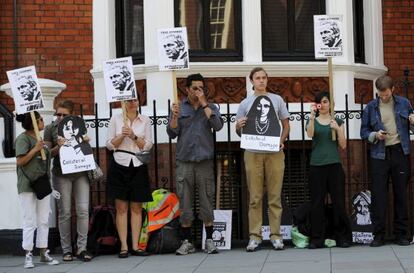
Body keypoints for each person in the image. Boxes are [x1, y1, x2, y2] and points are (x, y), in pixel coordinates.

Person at [167, 73, 223, 255]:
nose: (198, 91)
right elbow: (172, 133)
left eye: (201, 87)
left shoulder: (211, 106)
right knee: (185, 202)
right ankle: (187, 241)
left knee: (207, 200)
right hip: (185, 161)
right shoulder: (179, 107)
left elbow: (218, 125)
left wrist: (205, 103)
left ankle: (209, 240)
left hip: (204, 162)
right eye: (195, 88)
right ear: (187, 89)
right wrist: (174, 116)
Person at [235, 67, 290, 252]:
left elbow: (286, 124)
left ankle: (276, 236)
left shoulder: (277, 100)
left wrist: (281, 141)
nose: (261, 81)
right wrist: (238, 126)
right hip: (252, 152)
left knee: (275, 196)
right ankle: (254, 236)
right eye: (257, 78)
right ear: (251, 81)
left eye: (264, 77)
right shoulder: (245, 103)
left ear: (267, 80)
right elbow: (239, 131)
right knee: (255, 197)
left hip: (274, 152)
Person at [360, 75, 414, 247]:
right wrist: (375, 135)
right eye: (380, 94)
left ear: (393, 90)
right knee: (379, 195)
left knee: (400, 194)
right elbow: (363, 132)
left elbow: (412, 126)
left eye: (386, 94)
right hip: (379, 154)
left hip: (400, 151)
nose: (383, 97)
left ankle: (401, 234)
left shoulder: (404, 103)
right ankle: (379, 235)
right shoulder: (370, 107)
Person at [44, 100, 93, 262]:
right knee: (64, 212)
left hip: (80, 172)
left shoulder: (79, 126)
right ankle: (66, 250)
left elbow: (85, 151)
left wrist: (85, 142)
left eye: (64, 115)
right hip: (61, 173)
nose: (60, 117)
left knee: (83, 210)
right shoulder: (50, 129)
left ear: (72, 115)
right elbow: (46, 154)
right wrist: (58, 147)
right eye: (58, 114)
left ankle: (82, 248)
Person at [106, 98, 153, 258]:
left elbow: (147, 145)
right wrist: (121, 136)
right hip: (119, 163)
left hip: (138, 163)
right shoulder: (115, 118)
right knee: (121, 208)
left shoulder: (145, 120)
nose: (133, 103)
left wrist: (133, 136)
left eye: (135, 100)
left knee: (136, 208)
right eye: (129, 100)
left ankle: (136, 246)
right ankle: (124, 246)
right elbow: (109, 145)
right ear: (123, 102)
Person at [306, 91, 352, 249]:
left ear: (331, 104)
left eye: (326, 102)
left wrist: (337, 129)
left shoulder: (337, 120)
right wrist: (311, 117)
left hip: (334, 165)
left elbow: (344, 145)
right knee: (317, 203)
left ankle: (342, 237)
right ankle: (317, 238)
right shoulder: (312, 119)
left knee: (338, 202)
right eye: (321, 102)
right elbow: (310, 134)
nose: (323, 105)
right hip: (317, 166)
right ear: (317, 105)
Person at [15, 111, 59, 269]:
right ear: (32, 122)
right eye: (40, 119)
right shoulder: (23, 138)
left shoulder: (40, 139)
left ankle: (43, 251)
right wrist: (35, 149)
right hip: (27, 184)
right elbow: (20, 161)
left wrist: (57, 146)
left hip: (42, 184)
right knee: (29, 220)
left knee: (43, 219)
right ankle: (28, 254)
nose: (43, 121)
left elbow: (47, 157)